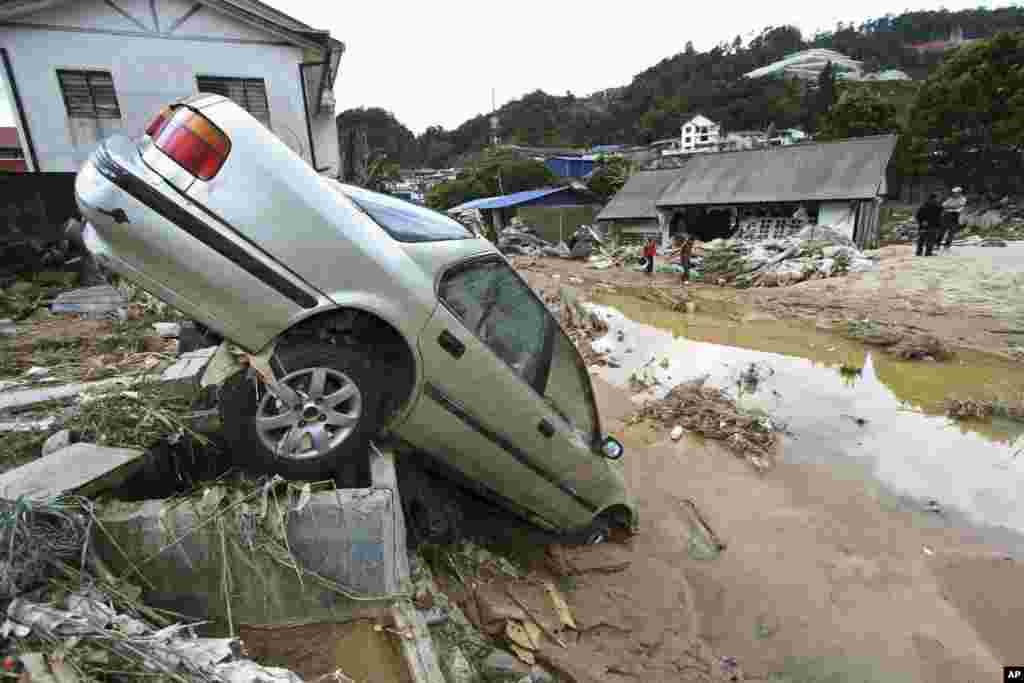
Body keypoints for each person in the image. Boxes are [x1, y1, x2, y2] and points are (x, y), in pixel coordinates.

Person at [940, 187, 967, 251]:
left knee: (952, 231)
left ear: (959, 193)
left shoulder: (963, 199)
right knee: (942, 230)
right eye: (954, 193)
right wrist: (952, 206)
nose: (954, 194)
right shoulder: (950, 199)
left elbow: (959, 206)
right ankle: (937, 244)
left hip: (955, 216)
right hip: (947, 215)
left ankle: (947, 245)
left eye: (956, 193)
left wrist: (950, 207)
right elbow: (944, 205)